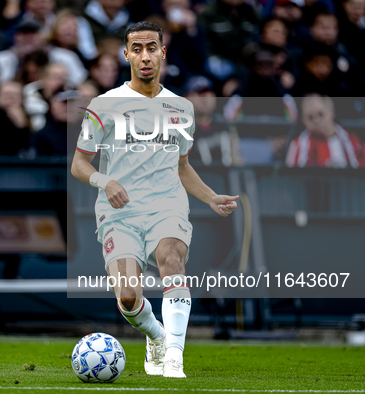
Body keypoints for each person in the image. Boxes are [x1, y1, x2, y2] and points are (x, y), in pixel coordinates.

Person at [70, 21, 238, 379]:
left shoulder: (182, 108)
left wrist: (210, 198)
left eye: (152, 48)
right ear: (126, 54)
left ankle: (174, 355)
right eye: (137, 48)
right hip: (120, 211)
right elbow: (79, 164)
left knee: (171, 259)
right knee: (129, 297)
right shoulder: (103, 105)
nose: (145, 56)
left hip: (167, 205)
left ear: (163, 53)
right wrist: (104, 180)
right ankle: (158, 336)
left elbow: (182, 166)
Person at [286, 95, 365, 168]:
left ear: (331, 113)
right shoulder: (298, 145)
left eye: (320, 114)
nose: (316, 120)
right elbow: (292, 179)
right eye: (310, 117)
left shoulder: (353, 141)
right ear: (304, 121)